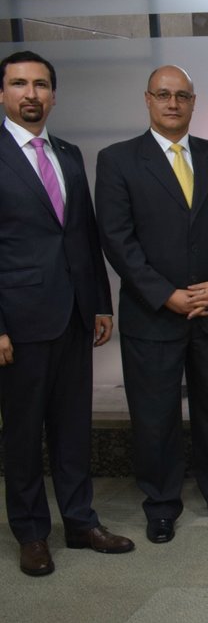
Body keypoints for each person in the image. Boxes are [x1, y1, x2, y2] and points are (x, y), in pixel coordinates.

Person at [95, 65, 208, 545]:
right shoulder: (118, 159)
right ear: (147, 99)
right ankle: (162, 503)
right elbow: (117, 239)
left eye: (182, 96)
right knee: (155, 414)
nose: (173, 103)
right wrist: (163, 293)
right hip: (152, 313)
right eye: (163, 95)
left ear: (193, 101)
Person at [0, 50, 134, 576]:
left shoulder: (68, 152)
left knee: (73, 428)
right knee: (23, 433)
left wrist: (100, 302)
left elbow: (83, 234)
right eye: (18, 84)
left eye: (40, 85)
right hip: (20, 320)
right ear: (3, 93)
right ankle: (32, 533)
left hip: (76, 315)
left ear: (54, 94)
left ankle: (80, 522)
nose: (30, 94)